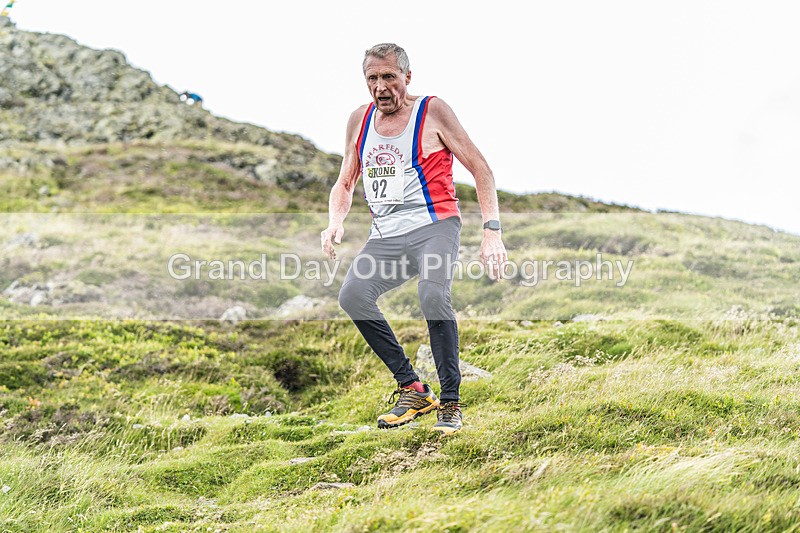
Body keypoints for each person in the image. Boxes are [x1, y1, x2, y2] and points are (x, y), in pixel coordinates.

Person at [321, 43, 507, 436]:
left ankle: (451, 403)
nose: (380, 86)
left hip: (434, 227)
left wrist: (491, 232)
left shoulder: (432, 111)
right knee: (352, 295)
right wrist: (335, 221)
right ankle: (413, 389)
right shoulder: (359, 119)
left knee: (432, 297)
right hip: (387, 236)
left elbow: (482, 169)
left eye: (389, 76)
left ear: (407, 76)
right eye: (372, 78)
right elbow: (345, 180)